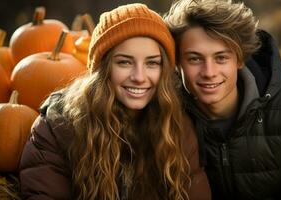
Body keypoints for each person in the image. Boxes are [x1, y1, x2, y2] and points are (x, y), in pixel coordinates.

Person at [19, 3, 211, 200]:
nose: (139, 76)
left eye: (152, 63)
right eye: (124, 62)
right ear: (103, 69)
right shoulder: (58, 125)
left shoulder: (176, 124)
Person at [164, 0, 281, 199]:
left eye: (221, 58)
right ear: (177, 63)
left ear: (240, 59)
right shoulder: (163, 121)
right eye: (194, 59)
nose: (209, 72)